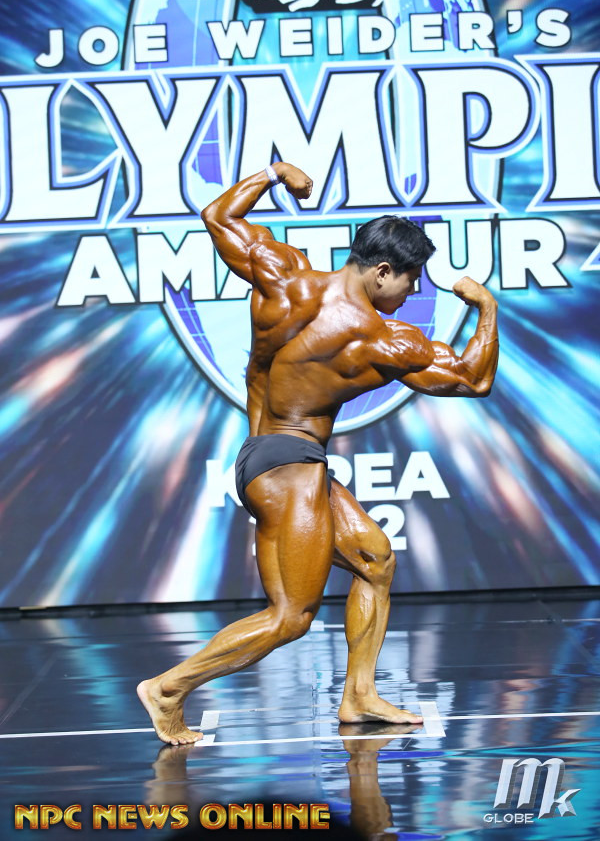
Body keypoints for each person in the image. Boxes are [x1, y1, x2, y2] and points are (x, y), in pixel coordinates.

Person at [137, 162, 499, 745]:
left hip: (266, 454)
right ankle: (169, 687)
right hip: (291, 468)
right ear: (383, 271)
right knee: (291, 617)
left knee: (375, 559)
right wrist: (486, 308)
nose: (414, 293)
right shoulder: (382, 339)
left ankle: (359, 696)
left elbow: (219, 216)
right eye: (411, 280)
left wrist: (274, 173)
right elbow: (473, 379)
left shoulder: (285, 277)